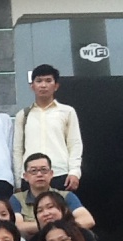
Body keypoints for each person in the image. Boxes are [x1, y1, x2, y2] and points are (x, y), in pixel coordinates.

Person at [13, 64, 83, 192]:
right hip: (30, 176)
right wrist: (18, 181)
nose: (43, 85)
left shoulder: (67, 112)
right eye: (39, 81)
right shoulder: (23, 115)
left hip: (59, 173)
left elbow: (75, 144)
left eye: (48, 81)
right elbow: (17, 150)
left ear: (56, 86)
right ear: (32, 86)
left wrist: (74, 172)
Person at [10, 153, 95, 238]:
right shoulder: (17, 198)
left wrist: (56, 228)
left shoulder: (66, 196)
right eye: (34, 171)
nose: (39, 174)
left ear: (51, 174)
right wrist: (51, 225)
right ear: (25, 176)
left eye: (44, 170)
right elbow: (17, 226)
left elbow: (87, 220)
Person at [25, 191, 98, 241]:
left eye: (50, 207)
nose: (46, 213)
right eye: (40, 211)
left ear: (64, 210)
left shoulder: (84, 235)